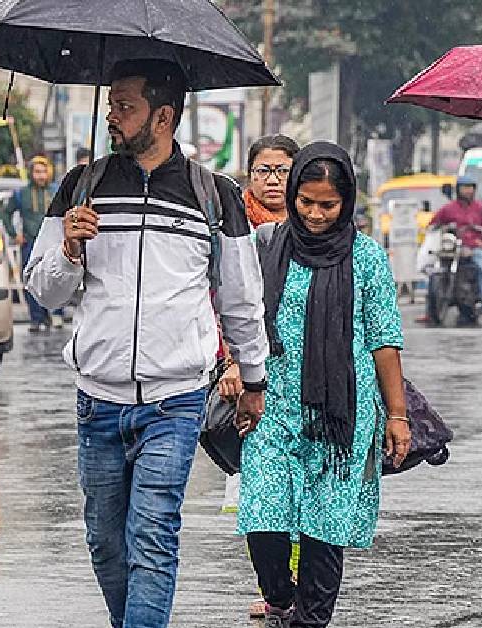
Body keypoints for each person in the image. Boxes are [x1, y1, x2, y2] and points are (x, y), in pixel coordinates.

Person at [23, 59, 269, 628]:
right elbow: (45, 291)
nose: (112, 115)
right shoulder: (81, 187)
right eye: (111, 104)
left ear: (163, 115)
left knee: (152, 535)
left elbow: (240, 297)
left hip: (176, 398)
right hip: (98, 398)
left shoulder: (214, 196)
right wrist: (69, 249)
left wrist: (253, 378)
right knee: (107, 543)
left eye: (125, 106)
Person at [238, 141, 410, 628]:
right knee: (263, 515)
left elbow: (384, 341)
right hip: (271, 402)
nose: (314, 214)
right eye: (306, 202)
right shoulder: (267, 245)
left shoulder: (367, 259)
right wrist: (234, 365)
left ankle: (311, 619)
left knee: (324, 523)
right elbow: (240, 313)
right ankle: (280, 596)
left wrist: (396, 416)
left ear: (347, 202)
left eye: (327, 205)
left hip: (340, 415)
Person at [212, 132, 300, 619]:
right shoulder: (230, 224)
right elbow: (220, 299)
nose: (272, 181)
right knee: (260, 486)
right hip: (247, 373)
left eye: (283, 170)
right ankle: (274, 586)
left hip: (301, 374)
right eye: (263, 170)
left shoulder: (317, 222)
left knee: (302, 484)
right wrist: (231, 362)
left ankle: (298, 581)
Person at [429, 176, 482, 325]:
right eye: (465, 187)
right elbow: (433, 223)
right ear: (458, 190)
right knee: (431, 269)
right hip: (452, 247)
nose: (468, 191)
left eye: (470, 187)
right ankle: (429, 311)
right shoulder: (448, 208)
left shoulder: (481, 208)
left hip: (473, 247)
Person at [2, 155, 60, 331]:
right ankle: (37, 318)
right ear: (31, 173)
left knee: (56, 277)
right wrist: (14, 234)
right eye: (37, 172)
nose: (41, 176)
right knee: (31, 280)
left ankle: (55, 314)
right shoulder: (21, 194)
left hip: (53, 243)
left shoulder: (56, 191)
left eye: (43, 171)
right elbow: (6, 213)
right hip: (31, 243)